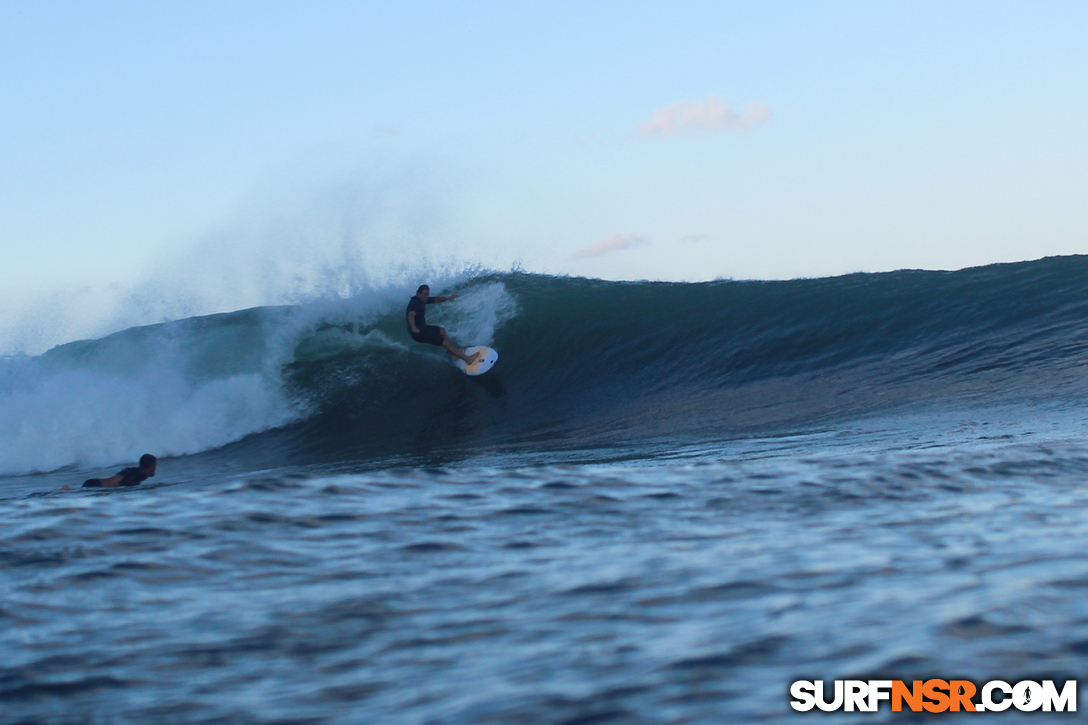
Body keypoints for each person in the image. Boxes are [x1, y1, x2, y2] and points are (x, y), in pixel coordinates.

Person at [406, 285, 480, 365]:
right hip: (418, 333)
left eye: (427, 294)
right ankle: (468, 359)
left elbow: (436, 299)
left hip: (423, 328)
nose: (426, 296)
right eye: (424, 294)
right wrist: (413, 327)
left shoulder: (422, 300)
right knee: (444, 342)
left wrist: (448, 298)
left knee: (442, 330)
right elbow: (411, 315)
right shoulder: (414, 303)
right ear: (418, 294)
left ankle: (455, 353)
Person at [81, 454, 157, 488]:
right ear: (151, 466)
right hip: (95, 484)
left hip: (94, 483)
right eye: (155, 466)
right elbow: (123, 483)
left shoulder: (136, 471)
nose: (155, 469)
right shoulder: (139, 473)